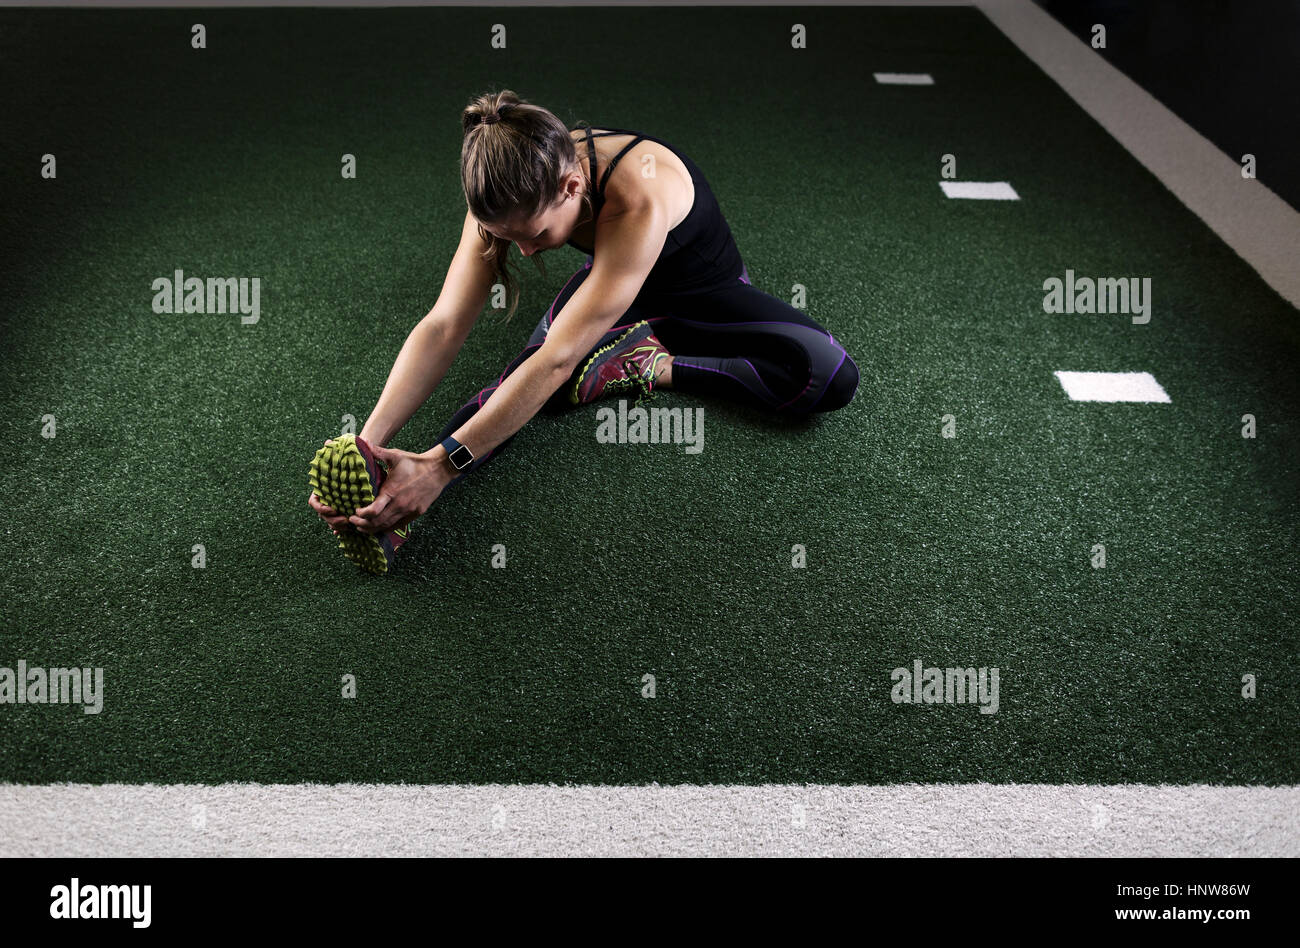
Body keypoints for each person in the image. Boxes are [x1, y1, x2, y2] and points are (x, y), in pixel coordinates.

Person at [308, 90, 860, 573]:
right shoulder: (510, 175)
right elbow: (445, 322)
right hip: (607, 290)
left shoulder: (638, 197)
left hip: (705, 300)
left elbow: (554, 361)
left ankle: (649, 365)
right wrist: (369, 443)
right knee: (524, 381)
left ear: (573, 186)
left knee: (828, 376)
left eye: (536, 234)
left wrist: (440, 470)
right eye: (506, 237)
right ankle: (391, 498)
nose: (522, 251)